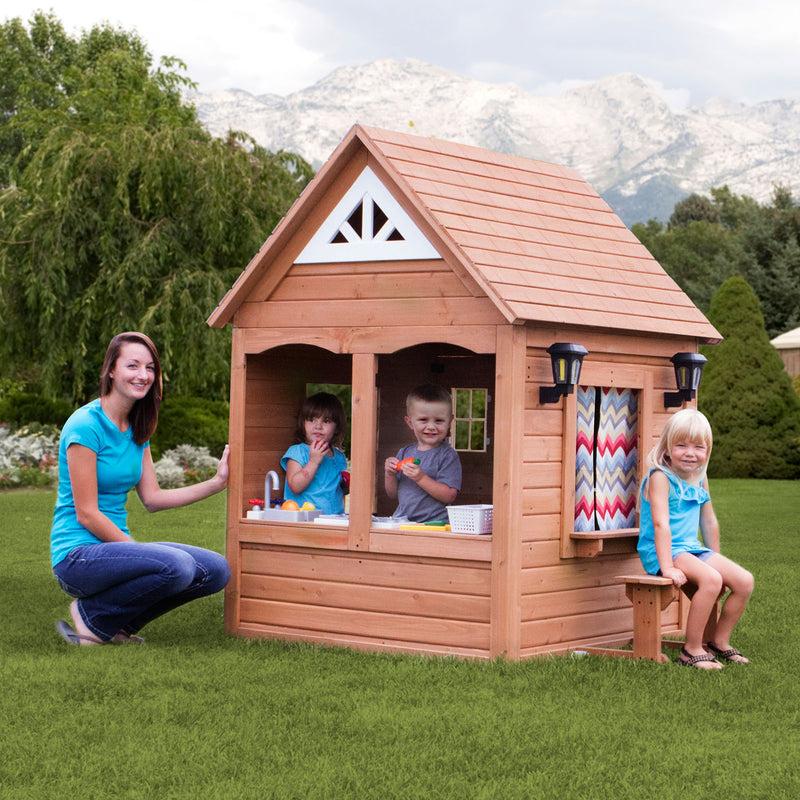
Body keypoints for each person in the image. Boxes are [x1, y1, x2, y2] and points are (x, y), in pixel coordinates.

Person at [51, 332, 230, 646]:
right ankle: (89, 616)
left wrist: (217, 483)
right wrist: (138, 552)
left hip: (113, 552)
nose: (143, 375)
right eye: (132, 365)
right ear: (111, 370)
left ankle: (115, 625)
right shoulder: (85, 426)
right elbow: (88, 514)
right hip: (76, 557)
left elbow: (153, 498)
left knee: (215, 570)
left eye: (150, 368)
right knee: (177, 566)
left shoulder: (137, 427)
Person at [637, 408, 753, 669]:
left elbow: (709, 521)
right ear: (666, 447)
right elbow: (660, 524)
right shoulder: (660, 477)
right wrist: (666, 566)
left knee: (744, 581)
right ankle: (691, 650)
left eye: (698, 447)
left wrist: (716, 556)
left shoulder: (700, 478)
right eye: (681, 445)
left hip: (690, 548)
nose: (690, 453)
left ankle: (718, 642)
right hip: (661, 550)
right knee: (712, 580)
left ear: (707, 451)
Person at [384, 384, 462, 523]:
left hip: (434, 524)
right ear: (410, 422)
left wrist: (420, 478)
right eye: (423, 420)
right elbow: (392, 494)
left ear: (450, 421)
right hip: (403, 522)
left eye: (439, 421)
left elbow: (450, 495)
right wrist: (390, 474)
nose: (431, 426)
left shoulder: (447, 455)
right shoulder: (404, 452)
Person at [280, 392, 348, 515]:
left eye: (326, 421)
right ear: (303, 423)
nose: (318, 426)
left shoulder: (339, 457)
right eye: (311, 420)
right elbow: (295, 486)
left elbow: (339, 492)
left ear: (337, 427)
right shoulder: (298, 451)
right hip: (305, 522)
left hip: (334, 522)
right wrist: (313, 461)